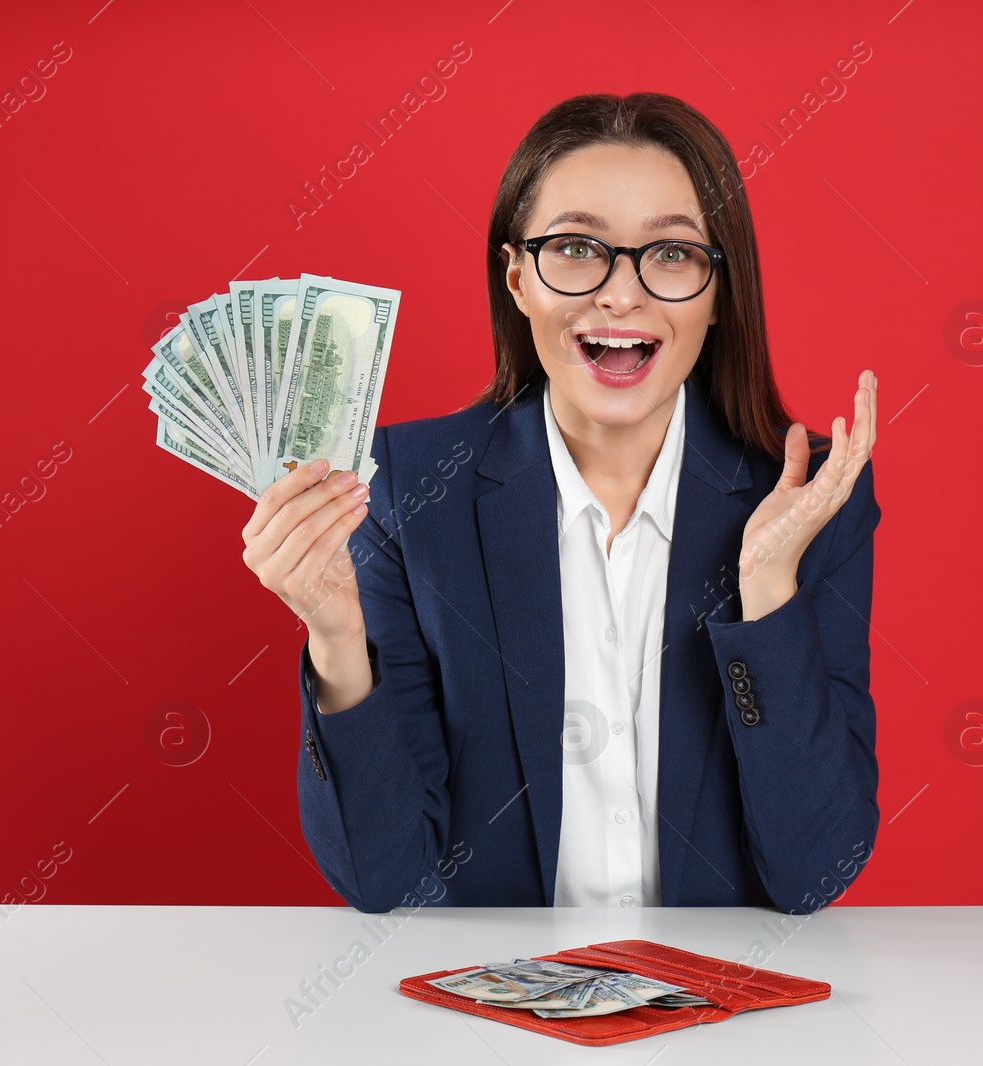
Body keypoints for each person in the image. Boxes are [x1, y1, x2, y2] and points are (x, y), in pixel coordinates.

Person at [240, 92, 880, 915]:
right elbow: (385, 880)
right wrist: (336, 639)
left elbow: (815, 873)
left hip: (714, 1020)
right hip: (492, 1018)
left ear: (721, 293)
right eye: (577, 248)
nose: (621, 295)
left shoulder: (807, 499)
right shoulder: (410, 489)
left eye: (672, 255)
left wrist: (766, 593)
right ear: (517, 279)